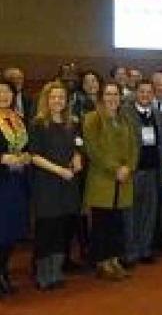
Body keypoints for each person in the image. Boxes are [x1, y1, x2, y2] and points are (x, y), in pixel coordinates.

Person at [29, 81, 82, 290]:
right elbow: (34, 156)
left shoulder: (72, 123)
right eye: (53, 97)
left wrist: (78, 158)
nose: (58, 101)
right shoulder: (38, 124)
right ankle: (43, 275)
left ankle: (56, 272)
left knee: (62, 229)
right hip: (47, 183)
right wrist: (59, 170)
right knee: (46, 230)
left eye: (61, 97)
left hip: (68, 184)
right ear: (46, 100)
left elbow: (78, 147)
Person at [82, 81, 137, 281]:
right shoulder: (92, 119)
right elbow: (93, 149)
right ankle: (101, 262)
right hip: (102, 179)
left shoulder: (125, 119)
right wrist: (115, 168)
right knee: (101, 223)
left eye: (116, 94)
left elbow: (134, 147)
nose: (112, 98)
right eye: (108, 94)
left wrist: (128, 167)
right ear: (101, 97)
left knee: (116, 224)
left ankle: (114, 260)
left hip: (123, 180)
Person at [122, 79, 162, 266]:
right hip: (134, 170)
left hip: (153, 170)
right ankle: (130, 252)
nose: (145, 95)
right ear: (135, 94)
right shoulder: (125, 114)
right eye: (142, 92)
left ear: (153, 94)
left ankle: (145, 249)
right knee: (130, 213)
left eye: (149, 92)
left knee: (149, 212)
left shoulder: (158, 115)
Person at [0, 79, 31, 296]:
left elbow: (27, 145)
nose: (3, 96)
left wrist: (26, 155)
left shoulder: (18, 119)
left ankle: (3, 270)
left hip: (17, 182)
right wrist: (2, 158)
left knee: (12, 231)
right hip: (1, 180)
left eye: (7, 92)